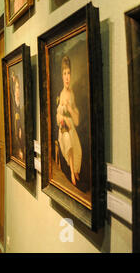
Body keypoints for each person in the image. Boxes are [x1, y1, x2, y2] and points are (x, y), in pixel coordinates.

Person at [56, 56, 82, 186]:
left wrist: (70, 109)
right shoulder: (61, 94)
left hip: (71, 127)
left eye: (69, 73)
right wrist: (62, 114)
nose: (67, 77)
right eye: (64, 74)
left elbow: (75, 116)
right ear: (62, 76)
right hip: (63, 129)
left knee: (78, 149)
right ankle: (72, 172)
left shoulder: (72, 93)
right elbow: (58, 117)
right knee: (69, 141)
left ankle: (76, 170)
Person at [11, 72, 25, 161]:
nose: (18, 91)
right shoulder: (13, 106)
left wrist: (21, 129)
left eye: (19, 88)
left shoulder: (21, 106)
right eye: (16, 88)